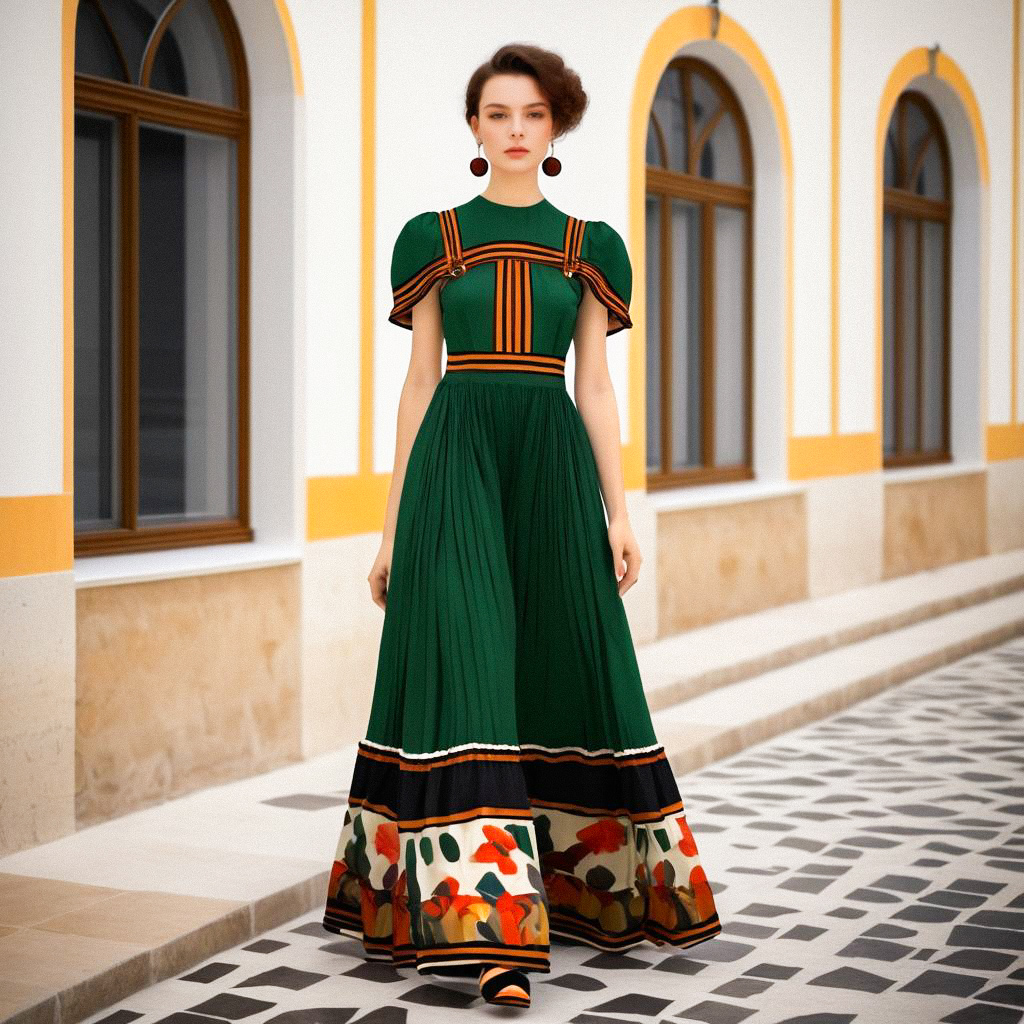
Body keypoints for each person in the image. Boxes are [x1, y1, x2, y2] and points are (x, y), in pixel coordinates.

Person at [322, 42, 721, 1010]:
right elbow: (419, 383)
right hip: (454, 463)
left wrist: (617, 510)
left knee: (558, 657)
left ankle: (583, 891)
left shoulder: (591, 246)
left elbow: (594, 381)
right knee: (467, 663)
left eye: (531, 115)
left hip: (547, 465)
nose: (512, 130)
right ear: (472, 127)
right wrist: (388, 529)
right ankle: (493, 933)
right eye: (496, 114)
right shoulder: (432, 238)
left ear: (554, 128)